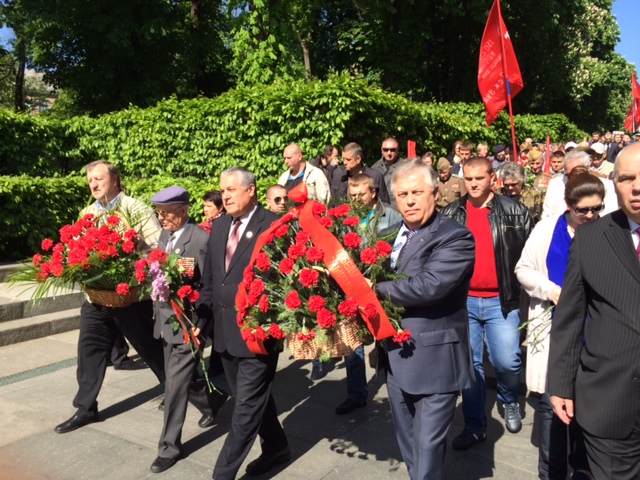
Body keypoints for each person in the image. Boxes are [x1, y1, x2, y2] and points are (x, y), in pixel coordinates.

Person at [374, 159, 475, 480]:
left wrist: (370, 290)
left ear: (434, 192)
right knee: (410, 450)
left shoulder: (455, 236)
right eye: (402, 194)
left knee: (428, 452)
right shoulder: (388, 234)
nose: (410, 200)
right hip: (395, 357)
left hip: (436, 360)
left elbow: (431, 286)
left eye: (417, 191)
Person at [548, 142, 640, 479]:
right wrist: (560, 383)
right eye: (627, 178)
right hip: (609, 399)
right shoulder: (590, 239)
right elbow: (570, 317)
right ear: (613, 182)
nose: (637, 187)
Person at [54, 160, 166, 434]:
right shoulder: (87, 212)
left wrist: (130, 260)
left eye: (98, 178)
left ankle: (201, 395)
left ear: (115, 180)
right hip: (96, 298)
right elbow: (77, 249)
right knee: (89, 350)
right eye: (90, 180)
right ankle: (85, 408)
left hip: (129, 298)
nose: (93, 184)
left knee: (152, 352)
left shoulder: (135, 208)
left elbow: (157, 248)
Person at [199, 167, 289, 479]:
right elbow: (211, 280)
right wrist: (201, 318)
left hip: (258, 333)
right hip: (225, 333)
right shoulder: (220, 224)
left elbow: (286, 282)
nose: (225, 195)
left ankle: (221, 474)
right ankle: (277, 446)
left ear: (250, 191)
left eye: (231, 190)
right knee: (250, 398)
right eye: (222, 190)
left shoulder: (275, 225)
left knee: (245, 409)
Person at [515, 168, 602, 480]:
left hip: (596, 336)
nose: (591, 216)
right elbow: (523, 269)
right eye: (583, 211)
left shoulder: (609, 233)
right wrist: (551, 290)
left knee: (587, 406)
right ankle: (550, 471)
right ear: (568, 206)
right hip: (555, 333)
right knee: (552, 404)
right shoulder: (547, 230)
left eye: (597, 209)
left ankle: (583, 468)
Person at [441, 156, 534, 449]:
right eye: (469, 179)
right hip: (464, 301)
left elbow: (532, 255)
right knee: (470, 366)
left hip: (501, 301)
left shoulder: (516, 211)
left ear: (492, 178)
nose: (474, 184)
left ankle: (508, 400)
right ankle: (474, 424)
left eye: (479, 178)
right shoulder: (451, 213)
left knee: (507, 361)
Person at [148, 186, 228, 474]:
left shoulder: (201, 240)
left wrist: (200, 325)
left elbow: (206, 286)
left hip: (188, 324)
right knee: (175, 378)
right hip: (166, 320)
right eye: (159, 213)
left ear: (183, 211)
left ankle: (169, 447)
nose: (161, 218)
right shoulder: (165, 235)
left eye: (166, 213)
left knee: (174, 386)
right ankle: (212, 401)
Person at [542, 149, 618, 219]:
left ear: (587, 169)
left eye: (576, 173)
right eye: (568, 175)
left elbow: (610, 214)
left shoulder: (606, 185)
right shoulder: (555, 184)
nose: (573, 178)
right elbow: (547, 213)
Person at [370, 137, 403, 208]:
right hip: (380, 210)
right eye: (386, 150)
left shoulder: (406, 167)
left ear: (398, 150)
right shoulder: (374, 168)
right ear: (381, 150)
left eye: (392, 150)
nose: (389, 153)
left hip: (400, 209)